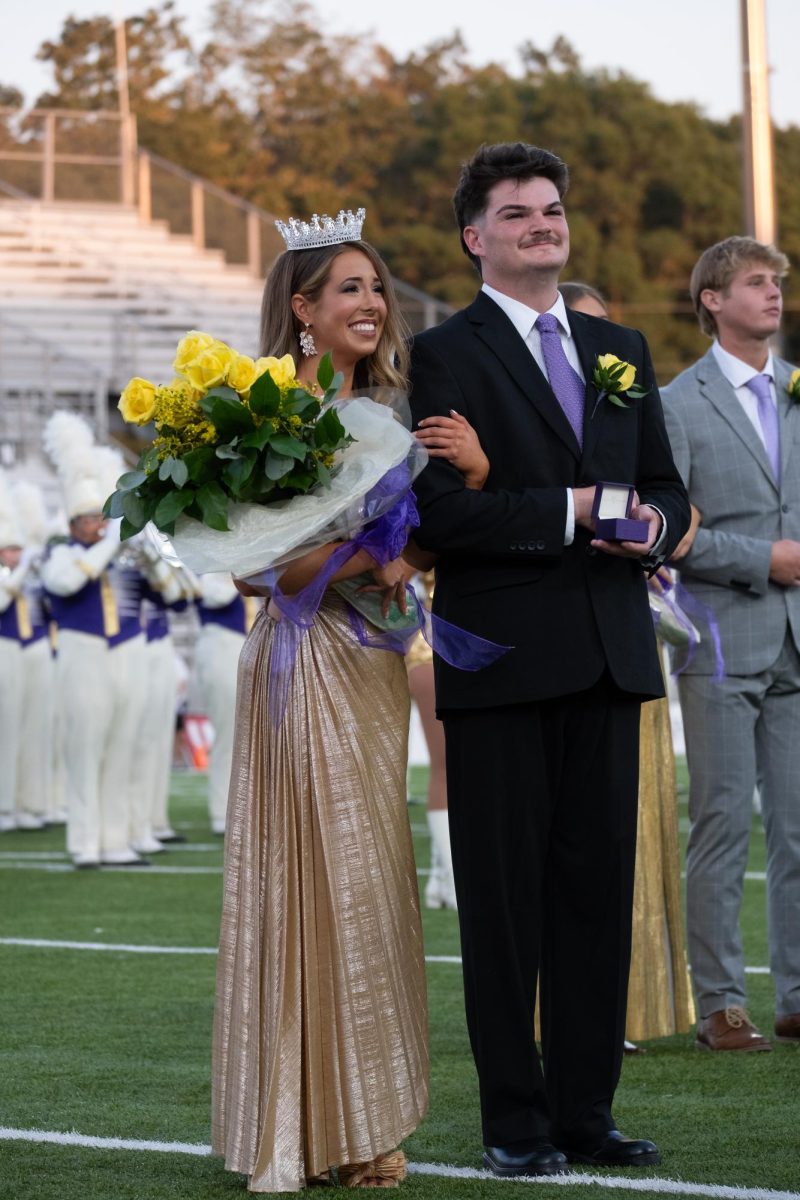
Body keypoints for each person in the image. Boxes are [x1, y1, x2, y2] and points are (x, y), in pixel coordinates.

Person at [409, 142, 689, 1177]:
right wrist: (570, 516)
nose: (542, 224)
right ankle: (514, 1125)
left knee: (590, 903)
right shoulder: (441, 355)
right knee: (503, 908)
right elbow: (443, 513)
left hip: (612, 657)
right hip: (502, 662)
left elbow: (662, 488)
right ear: (475, 237)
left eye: (551, 209)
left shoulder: (620, 346)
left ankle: (585, 1115)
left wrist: (649, 530)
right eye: (517, 213)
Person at [211, 213, 428, 1192]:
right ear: (301, 309)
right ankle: (293, 1125)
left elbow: (417, 547)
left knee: (365, 877)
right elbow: (257, 569)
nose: (370, 304)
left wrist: (422, 530)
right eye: (347, 288)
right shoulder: (252, 421)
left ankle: (363, 1116)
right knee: (297, 877)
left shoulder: (391, 417)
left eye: (374, 287)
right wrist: (362, 556)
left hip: (372, 659)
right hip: (294, 660)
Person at [662, 235, 800, 1050]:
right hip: (718, 634)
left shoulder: (794, 391)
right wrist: (765, 559)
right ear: (713, 299)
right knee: (721, 824)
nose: (775, 295)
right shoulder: (677, 402)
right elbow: (670, 533)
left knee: (798, 826)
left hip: (795, 641)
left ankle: (796, 994)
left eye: (778, 282)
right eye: (757, 283)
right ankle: (721, 1004)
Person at [560, 283, 696, 1048]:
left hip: (628, 634)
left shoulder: (629, 383)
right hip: (546, 630)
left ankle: (622, 1012)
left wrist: (657, 528)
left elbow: (674, 500)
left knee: (627, 835)